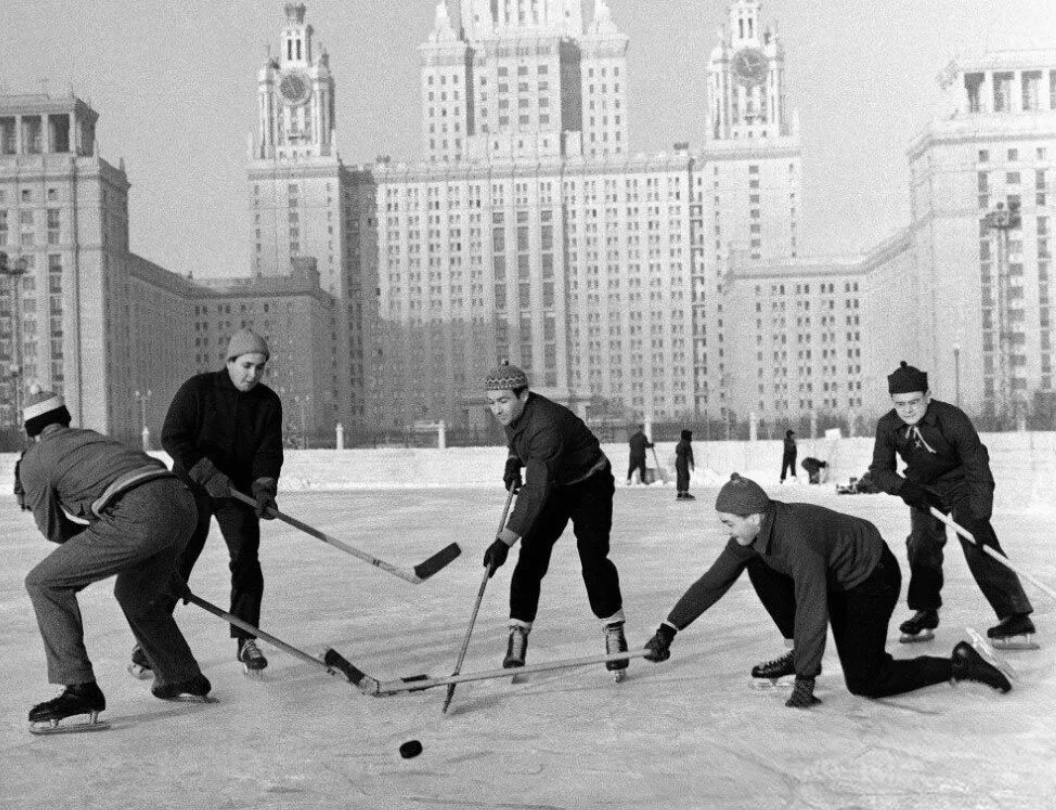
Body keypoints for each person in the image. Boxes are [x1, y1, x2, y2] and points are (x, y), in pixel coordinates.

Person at [642, 474, 1013, 709]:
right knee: (753, 561)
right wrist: (668, 628)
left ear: (754, 517)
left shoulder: (796, 540)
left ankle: (961, 665)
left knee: (866, 682)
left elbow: (812, 607)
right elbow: (713, 581)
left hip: (871, 576)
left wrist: (807, 677)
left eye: (729, 523)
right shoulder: (755, 533)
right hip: (834, 571)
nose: (727, 530)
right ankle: (795, 648)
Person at [18, 388, 212, 731]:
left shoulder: (34, 459)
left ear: (31, 431)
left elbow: (54, 529)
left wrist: (109, 543)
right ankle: (182, 678)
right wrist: (148, 560)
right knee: (136, 595)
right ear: (65, 421)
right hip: (181, 501)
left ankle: (80, 688)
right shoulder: (90, 439)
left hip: (139, 511)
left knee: (44, 583)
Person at [869, 361, 1036, 647]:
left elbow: (978, 468)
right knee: (921, 543)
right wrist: (905, 487)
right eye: (900, 404)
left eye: (914, 402)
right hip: (923, 488)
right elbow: (879, 471)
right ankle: (925, 611)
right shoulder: (888, 426)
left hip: (962, 485)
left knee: (975, 539)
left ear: (928, 395)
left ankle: (1015, 614)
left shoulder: (952, 419)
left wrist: (980, 517)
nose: (908, 410)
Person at [481, 361, 629, 679]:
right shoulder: (514, 414)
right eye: (491, 402)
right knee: (532, 554)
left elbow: (534, 493)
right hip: (556, 483)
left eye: (503, 400)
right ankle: (518, 631)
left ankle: (613, 628)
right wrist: (512, 459)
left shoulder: (546, 424)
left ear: (524, 395)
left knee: (593, 558)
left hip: (590, 482)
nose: (496, 409)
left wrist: (504, 541)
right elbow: (518, 440)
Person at [152, 328, 284, 676]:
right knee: (179, 561)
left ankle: (246, 638)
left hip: (235, 492)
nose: (252, 374)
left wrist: (263, 489)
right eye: (246, 365)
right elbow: (173, 435)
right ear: (229, 361)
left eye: (259, 367)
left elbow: (268, 452)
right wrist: (206, 473)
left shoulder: (267, 403)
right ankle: (150, 642)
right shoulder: (198, 390)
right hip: (190, 488)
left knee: (246, 560)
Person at [675, 429, 695, 500]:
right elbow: (690, 455)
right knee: (685, 476)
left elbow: (677, 450)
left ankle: (679, 493)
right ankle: (685, 493)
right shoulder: (687, 444)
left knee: (679, 476)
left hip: (677, 461)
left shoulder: (679, 443)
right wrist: (692, 464)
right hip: (683, 461)